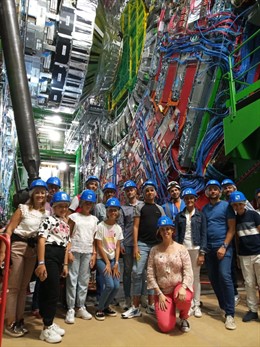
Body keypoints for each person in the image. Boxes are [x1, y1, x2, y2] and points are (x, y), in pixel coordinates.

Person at [0, 179, 48, 337]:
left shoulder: (45, 214)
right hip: (18, 247)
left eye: (43, 192)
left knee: (23, 287)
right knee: (13, 286)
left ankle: (19, 319)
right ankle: (10, 321)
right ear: (32, 194)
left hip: (32, 250)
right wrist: (2, 252)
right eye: (37, 192)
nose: (40, 195)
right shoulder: (23, 209)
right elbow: (9, 230)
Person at [122, 180, 165, 319]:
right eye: (147, 190)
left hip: (156, 246)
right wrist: (135, 246)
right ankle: (135, 307)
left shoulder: (160, 209)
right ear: (143, 193)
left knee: (152, 275)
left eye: (152, 190)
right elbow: (135, 227)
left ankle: (152, 305)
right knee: (137, 272)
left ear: (155, 193)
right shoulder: (139, 207)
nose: (149, 193)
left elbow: (163, 229)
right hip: (142, 245)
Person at [147, 216, 193, 333]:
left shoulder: (181, 248)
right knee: (165, 327)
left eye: (168, 228)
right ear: (159, 232)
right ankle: (168, 311)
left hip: (179, 288)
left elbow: (188, 271)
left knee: (185, 298)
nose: (165, 231)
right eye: (162, 229)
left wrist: (183, 287)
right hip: (163, 292)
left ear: (172, 230)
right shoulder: (154, 250)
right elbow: (150, 273)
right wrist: (159, 294)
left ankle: (183, 317)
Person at [35, 191, 71, 344]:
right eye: (60, 206)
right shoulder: (48, 220)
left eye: (65, 206)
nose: (63, 209)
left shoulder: (66, 225)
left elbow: (66, 246)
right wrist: (41, 263)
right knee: (52, 291)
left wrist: (65, 264)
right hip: (49, 255)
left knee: (52, 291)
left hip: (59, 257)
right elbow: (42, 240)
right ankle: (46, 329)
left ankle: (48, 322)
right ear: (54, 207)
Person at [202, 180, 237, 330]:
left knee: (224, 276)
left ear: (219, 192)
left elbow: (231, 229)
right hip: (209, 250)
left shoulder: (226, 206)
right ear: (207, 192)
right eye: (210, 189)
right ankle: (223, 307)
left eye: (216, 189)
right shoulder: (204, 209)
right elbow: (203, 231)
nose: (213, 191)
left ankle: (230, 314)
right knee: (214, 279)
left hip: (224, 248)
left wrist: (224, 246)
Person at [65, 189, 98, 324]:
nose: (88, 205)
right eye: (86, 202)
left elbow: (95, 239)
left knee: (84, 280)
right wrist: (69, 251)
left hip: (87, 251)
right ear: (81, 202)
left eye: (90, 203)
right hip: (75, 250)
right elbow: (67, 235)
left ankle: (81, 306)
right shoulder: (73, 217)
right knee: (72, 279)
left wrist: (94, 254)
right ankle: (71, 308)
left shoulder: (94, 219)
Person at [32, 176, 62, 318]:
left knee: (44, 278)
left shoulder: (57, 206)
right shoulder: (40, 204)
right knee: (39, 276)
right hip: (37, 243)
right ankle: (35, 305)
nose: (53, 190)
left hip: (47, 246)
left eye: (55, 188)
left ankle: (40, 308)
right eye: (51, 187)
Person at [175, 188, 207, 318]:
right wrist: (177, 250)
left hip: (196, 248)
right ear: (184, 200)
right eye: (187, 198)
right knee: (184, 277)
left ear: (195, 199)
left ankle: (196, 304)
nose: (189, 200)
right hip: (183, 249)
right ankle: (187, 305)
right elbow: (176, 235)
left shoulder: (201, 216)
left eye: (191, 198)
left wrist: (202, 253)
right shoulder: (179, 216)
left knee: (196, 277)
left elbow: (204, 234)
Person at [229, 191, 260, 322]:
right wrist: (237, 255)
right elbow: (236, 238)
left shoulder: (254, 215)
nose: (238, 207)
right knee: (249, 283)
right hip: (244, 255)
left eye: (240, 204)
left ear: (244, 204)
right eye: (235, 205)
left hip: (258, 253)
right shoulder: (235, 219)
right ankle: (253, 310)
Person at [118, 180, 147, 310]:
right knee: (128, 272)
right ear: (125, 193)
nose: (130, 192)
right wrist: (122, 243)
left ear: (136, 191)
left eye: (132, 189)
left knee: (141, 271)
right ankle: (128, 298)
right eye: (127, 190)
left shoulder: (143, 205)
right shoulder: (123, 209)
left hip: (142, 244)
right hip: (128, 244)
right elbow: (121, 227)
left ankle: (142, 296)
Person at [94, 197, 123, 321]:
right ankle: (100, 308)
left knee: (116, 286)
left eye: (115, 210)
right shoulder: (100, 226)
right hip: (102, 259)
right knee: (109, 285)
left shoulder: (118, 228)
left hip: (113, 260)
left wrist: (116, 263)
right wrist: (107, 262)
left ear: (118, 212)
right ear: (106, 211)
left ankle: (106, 306)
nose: (113, 213)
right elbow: (99, 245)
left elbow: (117, 247)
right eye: (111, 210)